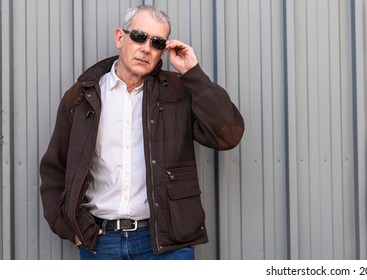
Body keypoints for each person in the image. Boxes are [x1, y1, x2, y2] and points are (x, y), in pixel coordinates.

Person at [39, 5, 244, 260]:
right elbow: (55, 168)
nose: (147, 48)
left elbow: (228, 134)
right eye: (139, 36)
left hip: (167, 244)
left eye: (157, 42)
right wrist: (69, 227)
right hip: (102, 243)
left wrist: (193, 74)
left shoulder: (178, 93)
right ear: (120, 38)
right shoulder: (82, 97)